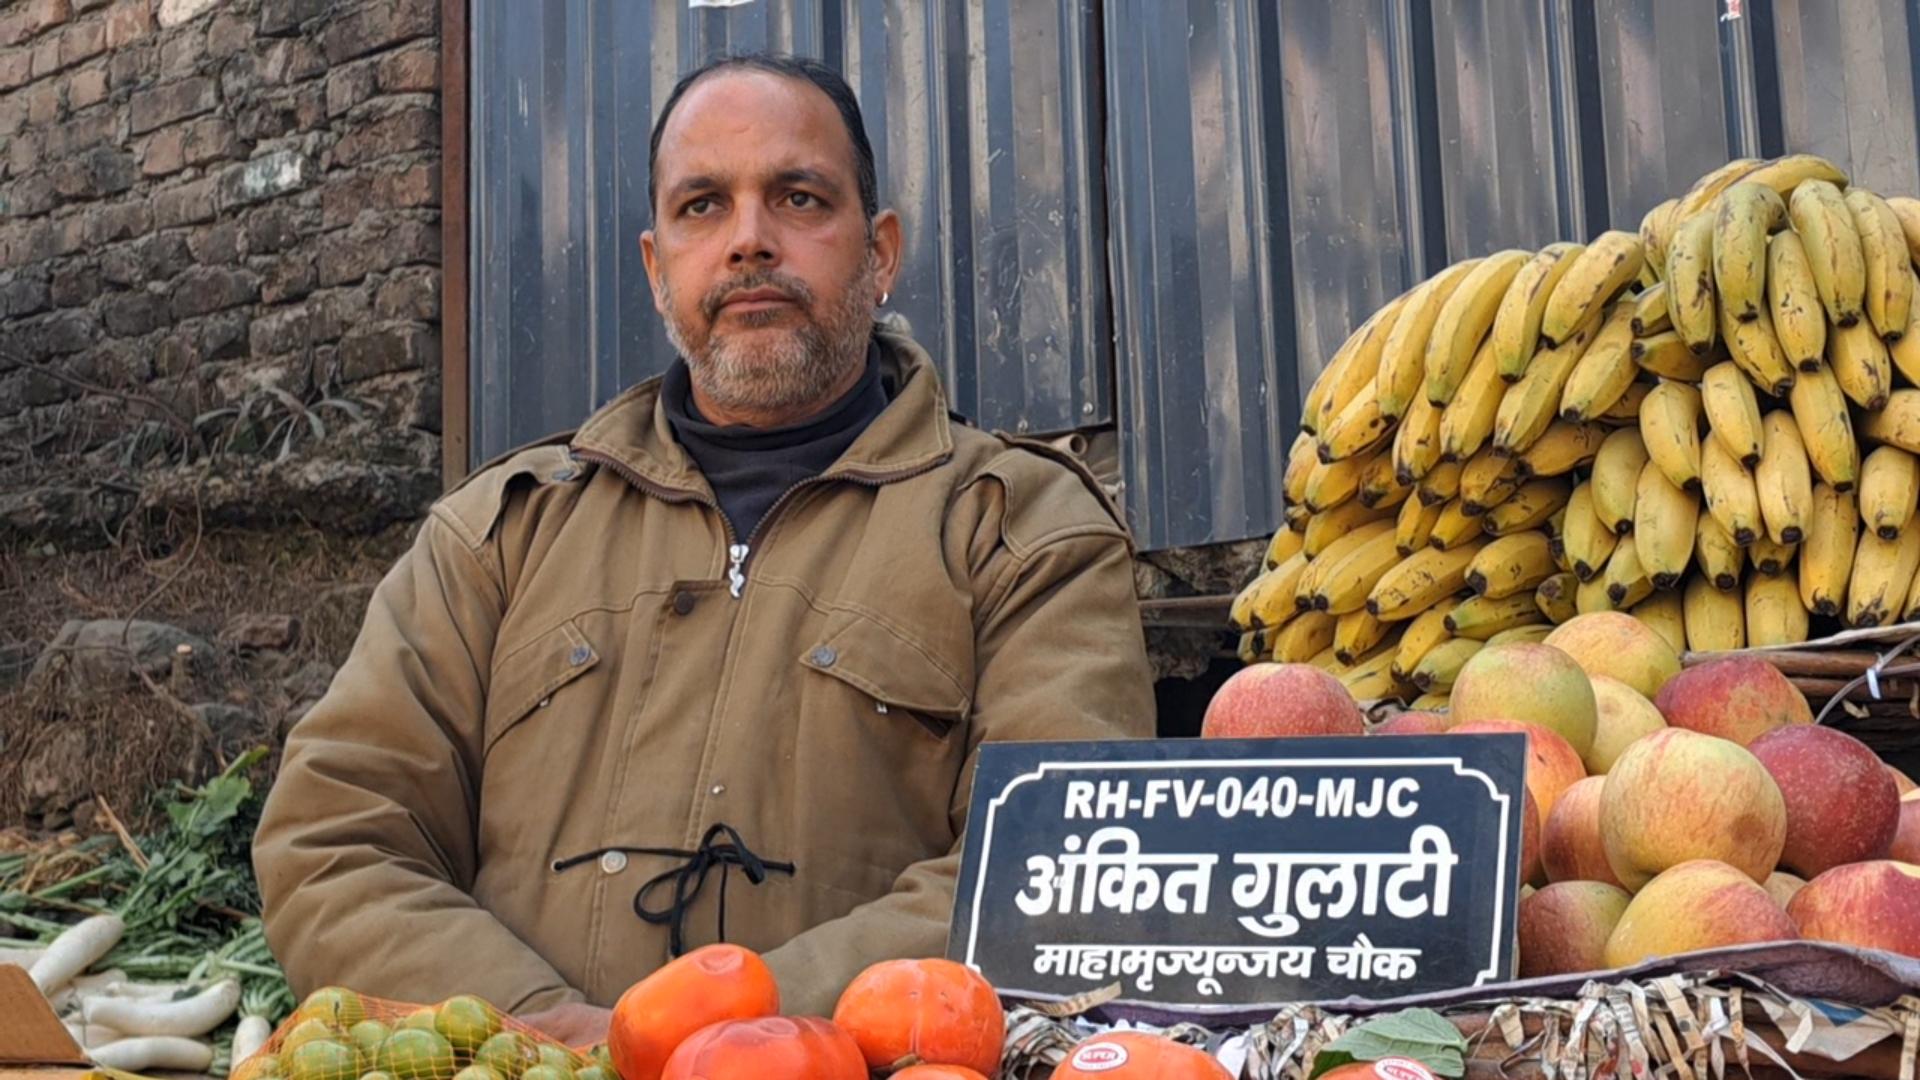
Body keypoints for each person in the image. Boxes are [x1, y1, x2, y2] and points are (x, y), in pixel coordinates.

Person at [252, 53, 1154, 1044]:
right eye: (702, 207)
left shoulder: (1022, 532)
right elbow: (333, 836)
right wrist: (544, 1032)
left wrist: (731, 1042)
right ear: (655, 266)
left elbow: (1059, 859)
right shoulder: (499, 534)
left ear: (882, 250)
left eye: (800, 198)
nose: (749, 242)